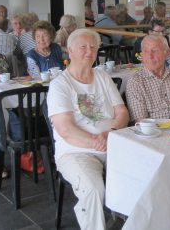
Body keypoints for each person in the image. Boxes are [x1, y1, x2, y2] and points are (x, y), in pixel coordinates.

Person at [47, 28, 129, 230]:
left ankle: (133, 221)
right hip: (76, 152)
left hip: (112, 144)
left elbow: (122, 113)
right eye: (83, 47)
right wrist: (97, 142)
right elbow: (66, 130)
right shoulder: (60, 85)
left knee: (144, 171)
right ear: (70, 51)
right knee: (93, 189)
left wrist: (110, 133)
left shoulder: (102, 77)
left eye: (93, 47)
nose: (89, 51)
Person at [126, 34, 170, 121]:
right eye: (145, 51)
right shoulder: (135, 82)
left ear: (166, 53)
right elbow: (141, 122)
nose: (149, 56)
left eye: (154, 51)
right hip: (156, 131)